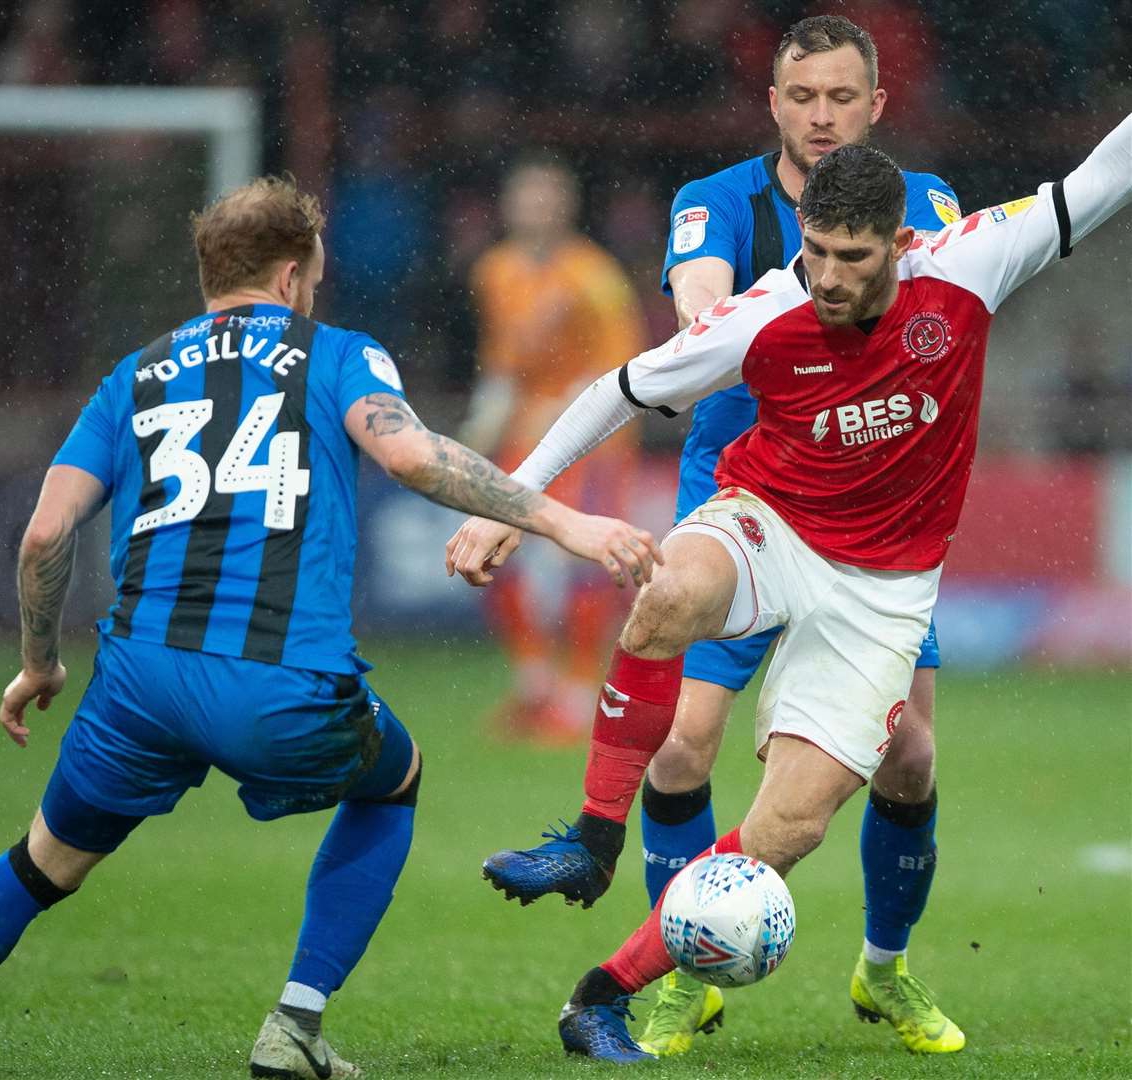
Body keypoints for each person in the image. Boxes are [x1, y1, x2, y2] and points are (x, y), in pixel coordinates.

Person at [448, 115, 1132, 1061]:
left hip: (881, 592)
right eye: (815, 250)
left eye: (854, 257)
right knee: (666, 590)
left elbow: (1106, 175)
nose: (831, 276)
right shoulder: (773, 307)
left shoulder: (971, 262)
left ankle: (597, 998)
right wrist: (511, 502)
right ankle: (595, 839)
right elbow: (619, 391)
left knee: (786, 827)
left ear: (901, 244)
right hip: (770, 523)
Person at [0, 176, 661, 1080]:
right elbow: (411, 454)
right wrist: (568, 524)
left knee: (41, 863)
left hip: (137, 683)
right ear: (293, 274)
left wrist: (37, 662)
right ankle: (294, 1026)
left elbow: (44, 535)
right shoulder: (335, 355)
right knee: (392, 778)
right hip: (276, 680)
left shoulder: (133, 374)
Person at [470, 14, 965, 1056]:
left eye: (841, 97)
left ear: (876, 105)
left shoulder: (922, 206)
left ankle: (884, 970)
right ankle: (680, 977)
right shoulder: (716, 202)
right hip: (748, 500)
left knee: (909, 758)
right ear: (771, 103)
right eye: (802, 97)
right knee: (682, 749)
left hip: (871, 514)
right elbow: (697, 310)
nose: (820, 116)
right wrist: (754, 316)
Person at [461, 155, 648, 744]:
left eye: (547, 197)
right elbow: (502, 364)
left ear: (565, 205)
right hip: (523, 436)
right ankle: (534, 686)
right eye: (526, 196)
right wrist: (481, 423)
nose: (535, 207)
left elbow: (625, 368)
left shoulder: (595, 276)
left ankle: (577, 691)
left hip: (593, 441)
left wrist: (563, 407)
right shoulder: (494, 272)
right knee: (499, 553)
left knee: (582, 565)